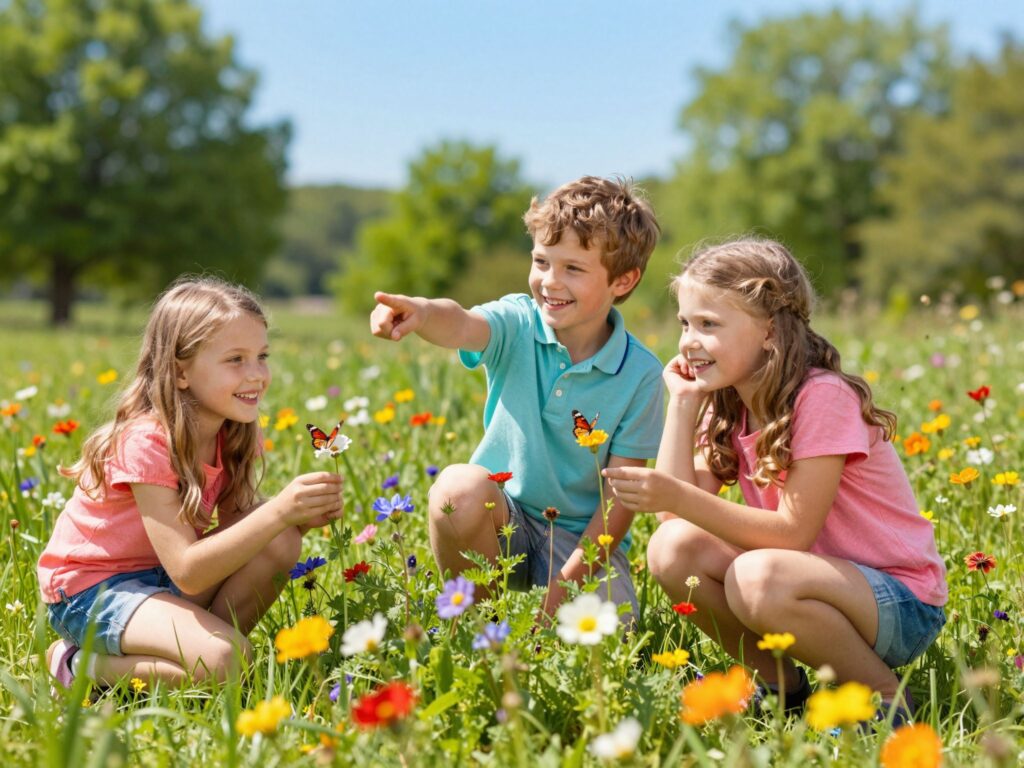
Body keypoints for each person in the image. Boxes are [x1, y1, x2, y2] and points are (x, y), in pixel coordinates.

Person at [604, 238, 946, 715]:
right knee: (673, 547)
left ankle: (886, 698)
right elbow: (671, 516)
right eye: (685, 323)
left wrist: (675, 496)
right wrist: (682, 404)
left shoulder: (821, 397)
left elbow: (792, 532)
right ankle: (782, 688)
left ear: (769, 330)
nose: (688, 341)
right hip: (805, 587)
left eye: (709, 324)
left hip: (898, 605)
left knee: (756, 574)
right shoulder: (727, 403)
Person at [370, 176, 665, 618]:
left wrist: (560, 595)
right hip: (501, 517)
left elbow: (617, 504)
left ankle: (543, 618)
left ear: (622, 281)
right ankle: (480, 624)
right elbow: (463, 324)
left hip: (577, 541)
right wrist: (424, 312)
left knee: (610, 631)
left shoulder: (640, 374)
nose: (550, 281)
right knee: (456, 490)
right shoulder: (517, 322)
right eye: (542, 261)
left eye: (573, 269)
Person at [38, 278, 343, 689]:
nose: (257, 375)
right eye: (235, 359)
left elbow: (240, 538)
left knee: (281, 540)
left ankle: (196, 658)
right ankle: (77, 665)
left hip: (158, 580)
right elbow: (189, 572)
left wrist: (294, 519)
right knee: (227, 662)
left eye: (262, 356)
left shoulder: (235, 432)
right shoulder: (146, 440)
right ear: (181, 372)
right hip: (92, 591)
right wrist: (277, 510)